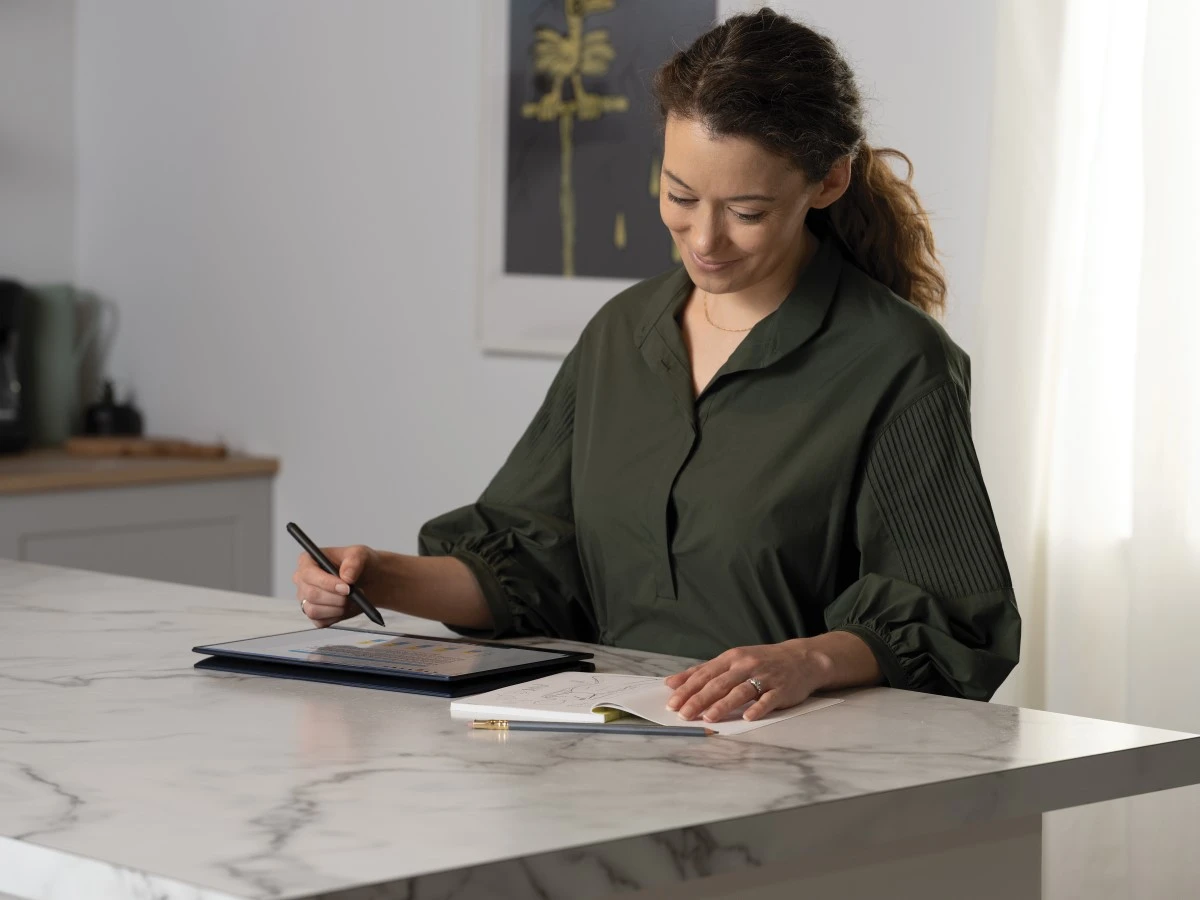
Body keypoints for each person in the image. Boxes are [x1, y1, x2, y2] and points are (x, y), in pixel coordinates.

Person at [292, 7, 1020, 724]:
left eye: (747, 210)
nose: (705, 238)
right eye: (680, 196)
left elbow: (950, 615)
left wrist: (809, 660)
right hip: (602, 744)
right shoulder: (621, 334)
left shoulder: (897, 362)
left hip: (796, 762)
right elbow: (533, 567)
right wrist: (374, 574)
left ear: (828, 182)